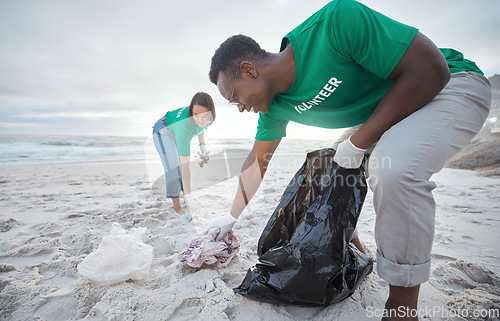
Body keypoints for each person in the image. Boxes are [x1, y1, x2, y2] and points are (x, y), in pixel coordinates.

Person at [205, 0, 491, 320]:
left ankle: (401, 307)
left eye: (233, 97)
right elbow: (258, 161)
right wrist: (230, 217)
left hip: (451, 84)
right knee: (325, 172)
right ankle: (351, 253)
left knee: (392, 170)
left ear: (248, 70)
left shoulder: (336, 23)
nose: (239, 107)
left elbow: (430, 70)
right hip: (395, 108)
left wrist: (359, 142)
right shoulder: (275, 106)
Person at [152, 92, 216, 216]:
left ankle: (185, 195)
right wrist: (189, 195)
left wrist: (202, 147)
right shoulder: (184, 126)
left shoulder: (206, 119)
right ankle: (177, 206)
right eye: (196, 115)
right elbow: (185, 166)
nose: (200, 120)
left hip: (175, 131)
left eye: (204, 116)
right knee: (174, 168)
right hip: (163, 130)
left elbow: (201, 128)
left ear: (211, 113)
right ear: (191, 112)